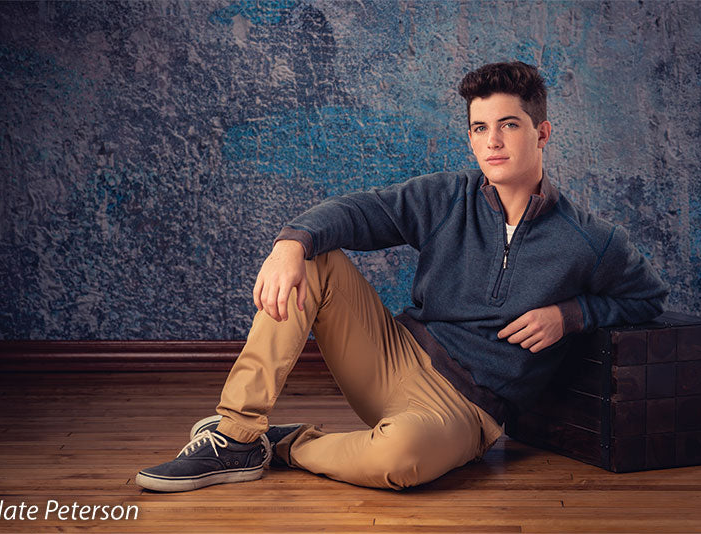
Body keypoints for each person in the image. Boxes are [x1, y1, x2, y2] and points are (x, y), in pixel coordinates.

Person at [136, 61, 669, 492]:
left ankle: (280, 445)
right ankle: (235, 433)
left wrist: (571, 314)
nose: (493, 141)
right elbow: (358, 211)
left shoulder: (590, 239)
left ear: (542, 132)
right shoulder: (447, 197)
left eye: (509, 125)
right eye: (480, 128)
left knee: (400, 459)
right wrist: (290, 243)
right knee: (315, 259)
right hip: (394, 355)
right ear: (470, 138)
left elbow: (647, 298)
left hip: (467, 408)